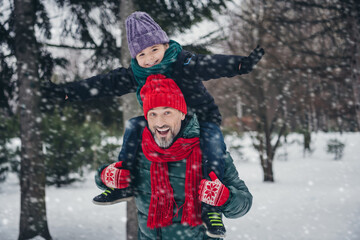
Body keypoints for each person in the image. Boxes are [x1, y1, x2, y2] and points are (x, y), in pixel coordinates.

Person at [44, 11, 263, 237]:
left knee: (213, 143)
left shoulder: (183, 62)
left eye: (154, 50)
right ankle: (124, 180)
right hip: (158, 128)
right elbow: (102, 84)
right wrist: (66, 93)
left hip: (203, 118)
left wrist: (239, 64)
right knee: (133, 126)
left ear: (165, 45)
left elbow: (210, 64)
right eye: (142, 54)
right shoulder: (136, 75)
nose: (149, 58)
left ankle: (210, 205)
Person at [95, 74, 253, 239]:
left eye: (167, 112)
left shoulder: (208, 150)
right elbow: (111, 179)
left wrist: (226, 199)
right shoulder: (139, 149)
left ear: (182, 113)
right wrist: (105, 177)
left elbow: (244, 203)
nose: (160, 122)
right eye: (153, 114)